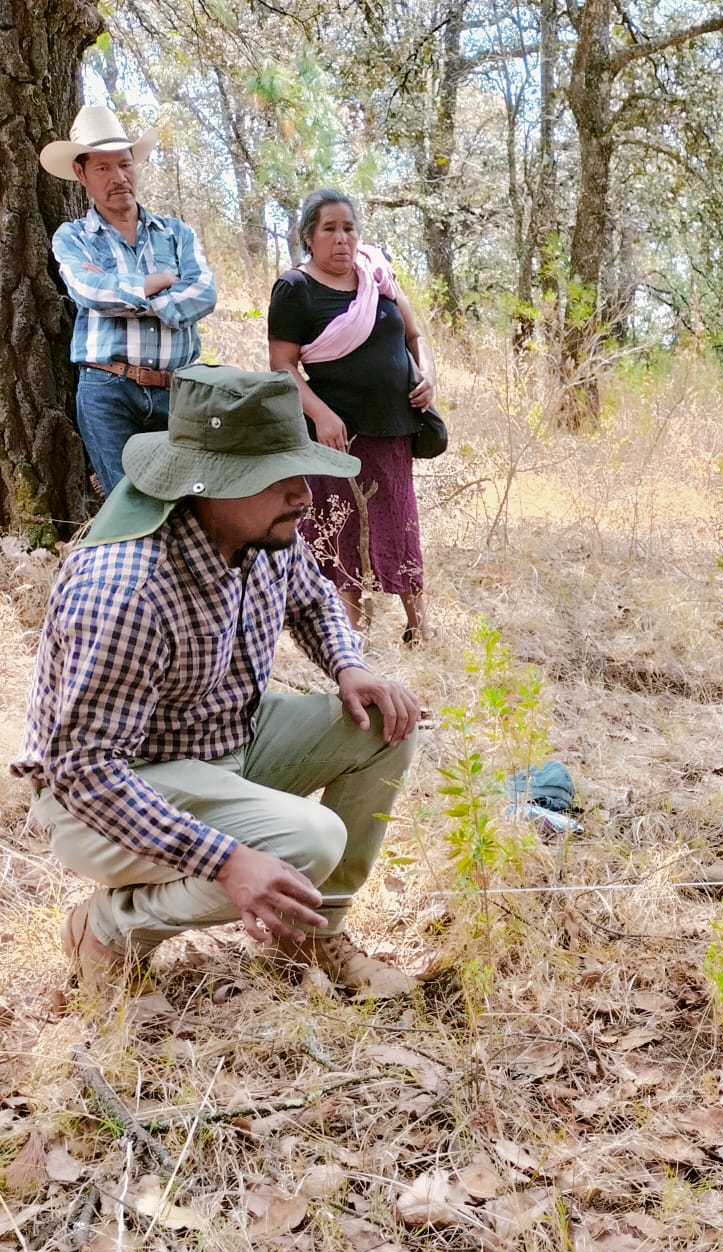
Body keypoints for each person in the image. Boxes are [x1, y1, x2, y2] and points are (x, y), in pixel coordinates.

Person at [12, 365, 422, 1000]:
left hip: (224, 742)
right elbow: (86, 772)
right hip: (105, 798)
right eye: (279, 476)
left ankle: (312, 928)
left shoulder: (265, 532)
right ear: (211, 486)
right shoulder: (129, 587)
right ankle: (106, 929)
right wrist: (228, 862)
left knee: (387, 725)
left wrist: (350, 666)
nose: (304, 493)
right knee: (309, 841)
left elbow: (312, 602)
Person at [268, 189, 437, 643]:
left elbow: (415, 336)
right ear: (309, 237)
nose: (342, 239)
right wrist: (321, 415)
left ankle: (421, 631)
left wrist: (428, 378)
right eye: (330, 229)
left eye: (349, 228)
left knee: (400, 524)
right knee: (340, 529)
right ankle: (351, 637)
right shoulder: (295, 289)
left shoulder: (376, 275)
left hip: (393, 427)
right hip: (334, 437)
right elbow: (282, 366)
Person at [42, 106, 217, 499]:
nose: (118, 178)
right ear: (81, 174)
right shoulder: (73, 238)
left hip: (178, 389)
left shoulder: (176, 233)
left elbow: (204, 293)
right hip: (108, 389)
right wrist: (162, 284)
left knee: (189, 502)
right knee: (129, 504)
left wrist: (128, 293)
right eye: (102, 168)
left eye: (124, 164)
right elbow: (90, 293)